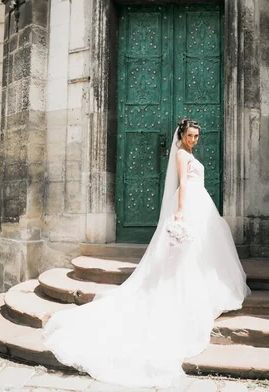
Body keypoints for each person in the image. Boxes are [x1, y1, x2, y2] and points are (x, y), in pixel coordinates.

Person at [42, 118, 251, 388]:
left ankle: (203, 292)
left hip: (201, 203)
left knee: (201, 254)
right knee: (188, 255)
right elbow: (184, 185)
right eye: (190, 136)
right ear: (181, 135)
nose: (193, 140)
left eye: (197, 136)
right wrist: (179, 212)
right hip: (189, 204)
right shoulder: (180, 154)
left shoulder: (188, 153)